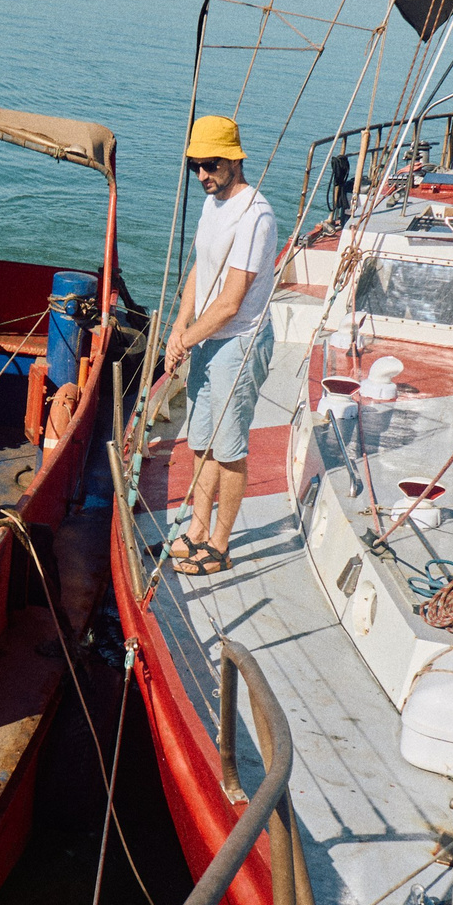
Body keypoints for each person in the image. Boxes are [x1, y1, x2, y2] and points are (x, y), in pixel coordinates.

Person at [164, 115, 278, 576]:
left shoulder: (256, 216)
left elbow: (231, 303)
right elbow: (200, 269)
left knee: (229, 451)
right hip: (207, 338)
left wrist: (186, 342)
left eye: (210, 165)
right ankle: (196, 529)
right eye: (196, 166)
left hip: (238, 343)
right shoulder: (213, 204)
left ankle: (220, 544)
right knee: (202, 440)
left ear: (234, 158)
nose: (202, 176)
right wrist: (178, 325)